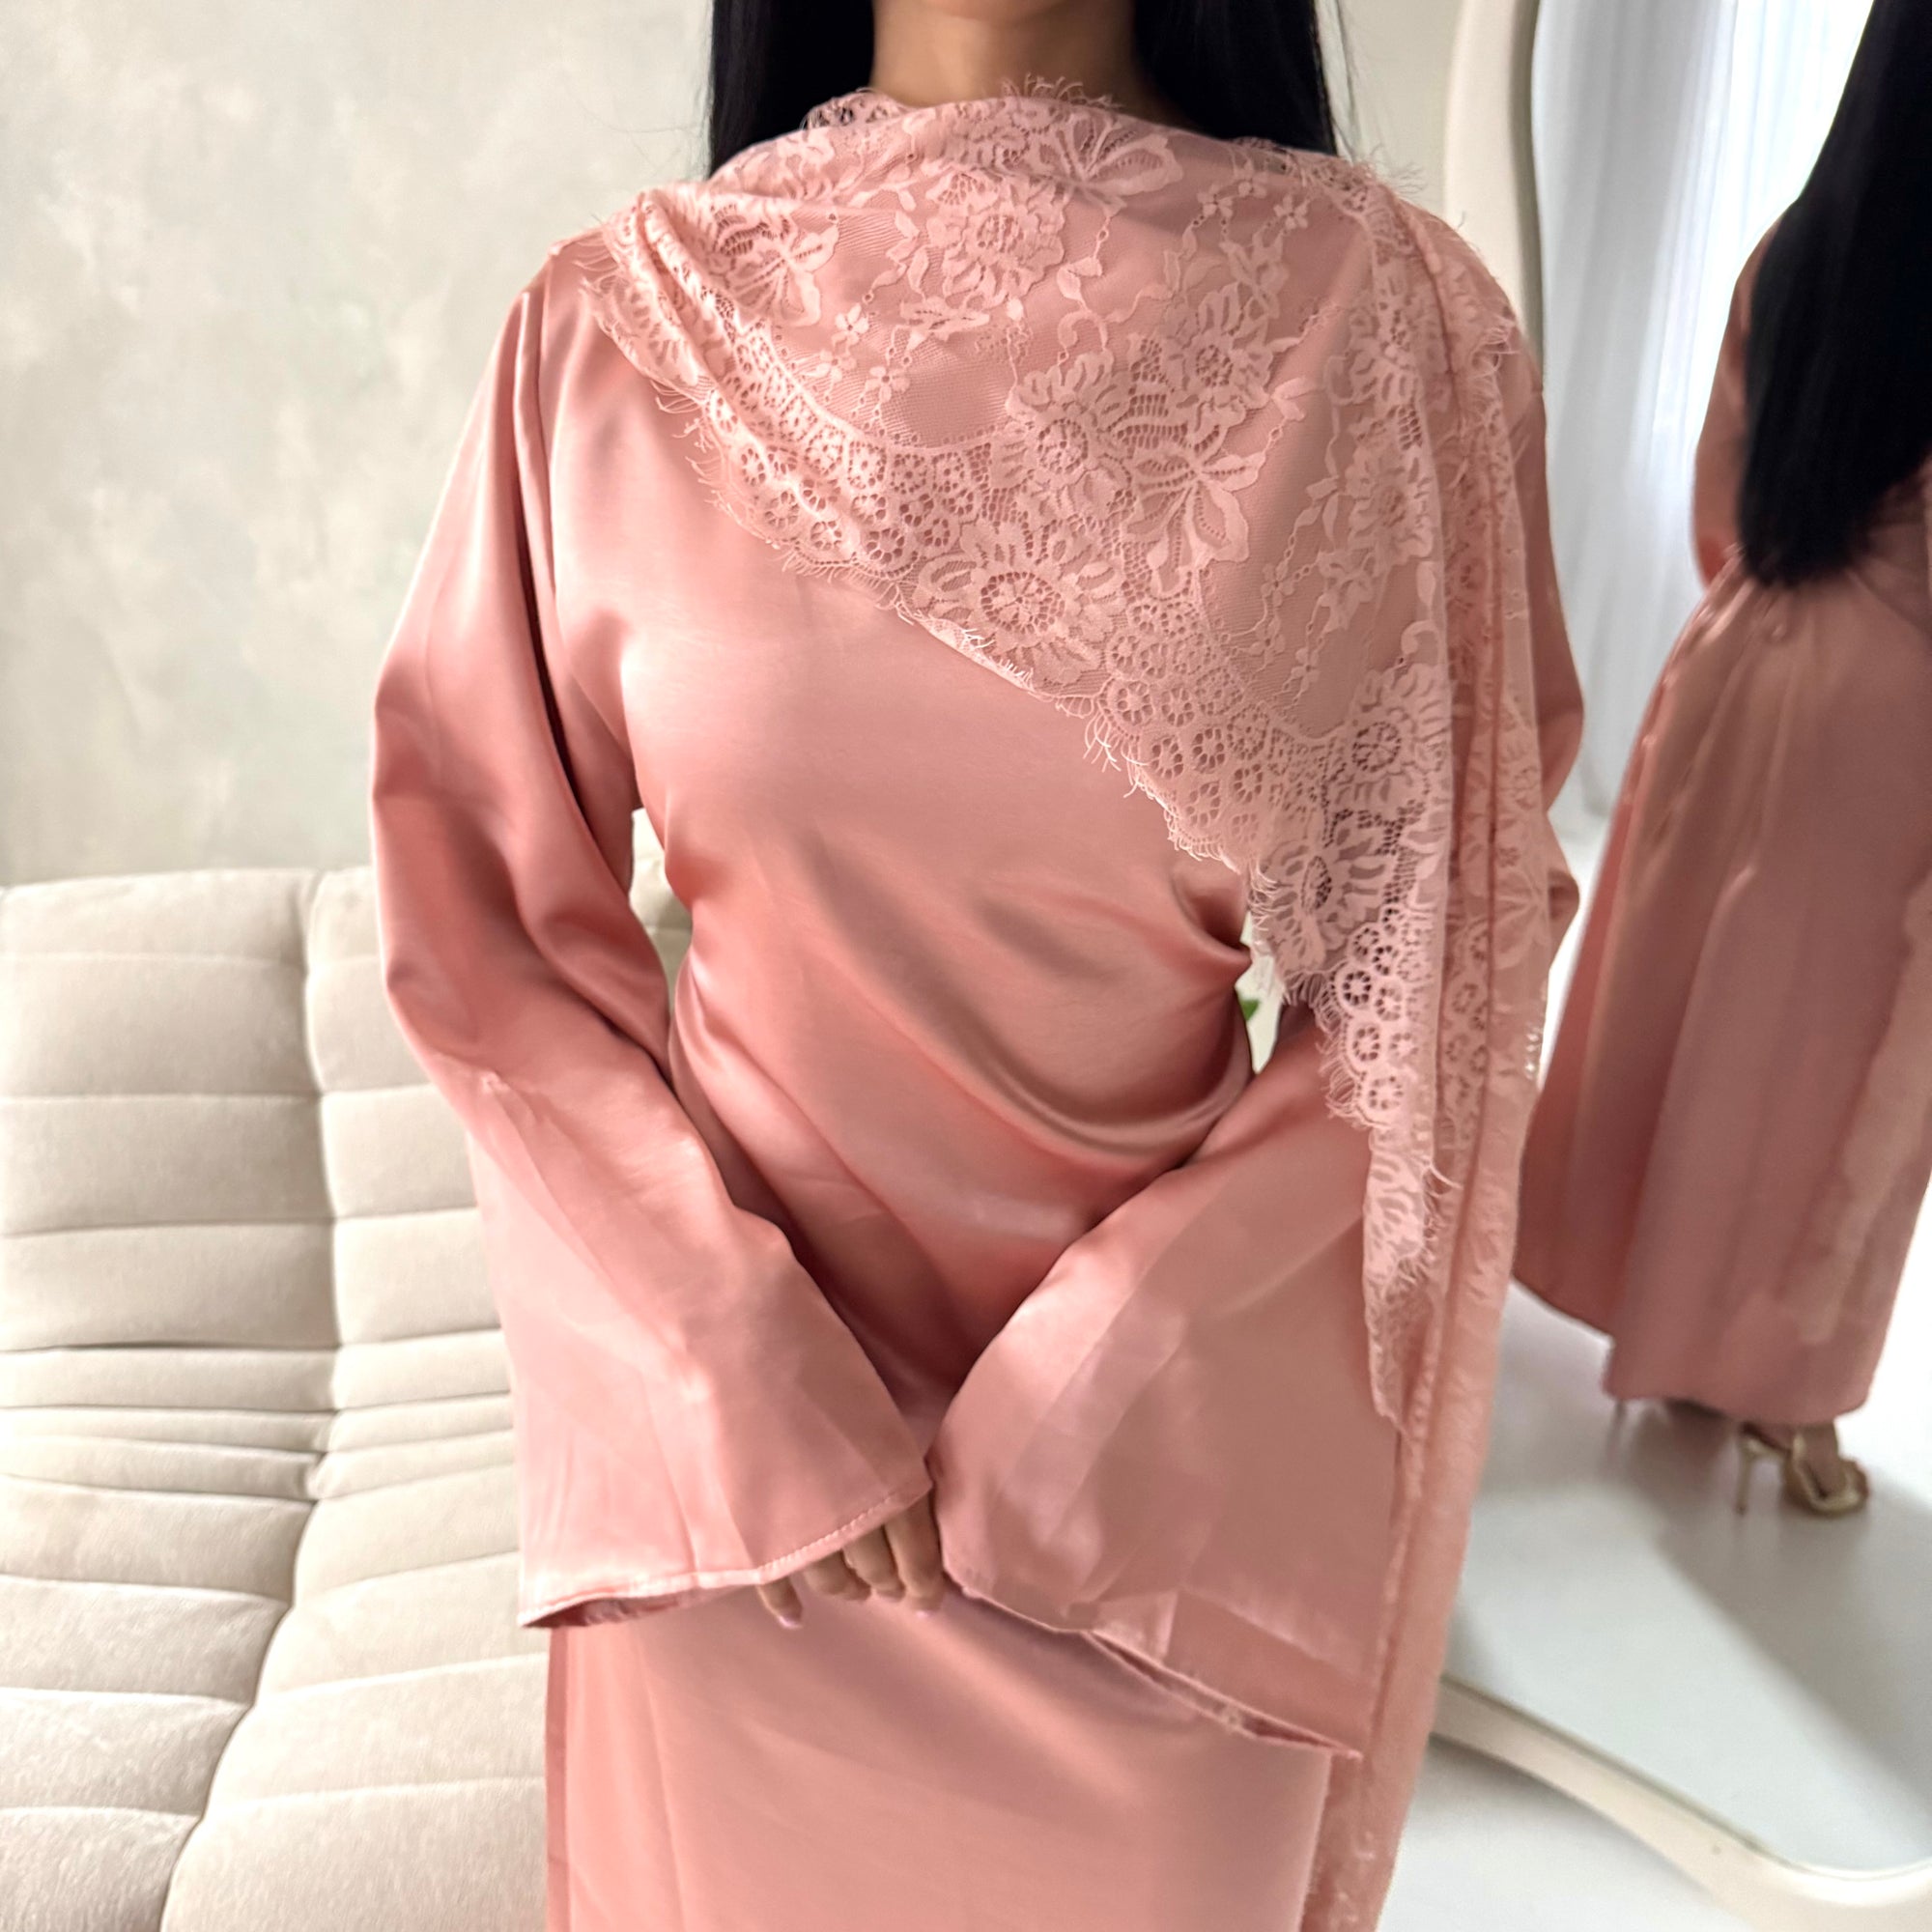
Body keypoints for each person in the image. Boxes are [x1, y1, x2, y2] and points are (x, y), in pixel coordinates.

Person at [370, 1, 1580, 1924]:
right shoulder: (614, 327)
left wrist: (1104, 1395)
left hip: (1155, 1544)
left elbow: (1444, 960)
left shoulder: (1391, 334)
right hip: (748, 1546)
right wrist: (724, 1362)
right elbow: (484, 920)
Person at [1517, 0, 1932, 1520]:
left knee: (1688, 1010)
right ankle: (1784, 1390)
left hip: (1735, 663)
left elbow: (1724, 495)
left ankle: (1664, 1316)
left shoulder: (1798, 250)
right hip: (1903, 718)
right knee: (1841, 1077)